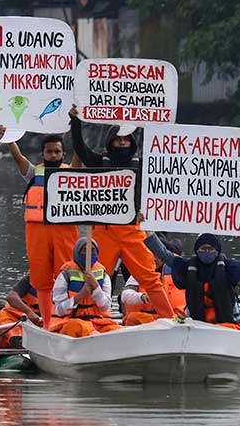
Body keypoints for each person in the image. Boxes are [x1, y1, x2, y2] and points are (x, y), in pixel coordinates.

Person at [68, 105, 175, 319]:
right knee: (95, 275)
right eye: (117, 139)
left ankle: (168, 319)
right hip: (103, 231)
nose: (122, 143)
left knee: (150, 277)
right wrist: (75, 121)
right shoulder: (100, 163)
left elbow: (167, 172)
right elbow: (81, 149)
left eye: (126, 139)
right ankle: (90, 318)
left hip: (133, 230)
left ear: (132, 142)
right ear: (110, 142)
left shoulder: (145, 166)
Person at [0, 125, 79, 330]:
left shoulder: (72, 172)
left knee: (68, 274)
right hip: (37, 230)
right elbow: (18, 157)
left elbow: (80, 156)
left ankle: (67, 319)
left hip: (64, 230)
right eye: (49, 151)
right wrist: (7, 137)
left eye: (57, 151)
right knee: (41, 278)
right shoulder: (34, 173)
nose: (53, 154)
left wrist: (77, 126)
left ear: (63, 153)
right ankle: (48, 323)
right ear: (43, 154)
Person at [143, 223, 240, 330]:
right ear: (196, 250)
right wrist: (147, 228)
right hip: (196, 325)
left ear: (217, 251)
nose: (206, 252)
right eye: (202, 249)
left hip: (226, 326)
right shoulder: (186, 266)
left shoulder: (230, 268)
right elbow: (163, 254)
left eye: (210, 249)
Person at [49, 237, 121, 338]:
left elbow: (105, 306)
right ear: (77, 252)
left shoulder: (103, 275)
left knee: (115, 330)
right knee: (80, 326)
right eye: (84, 250)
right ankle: (96, 339)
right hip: (69, 323)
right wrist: (80, 296)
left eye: (93, 250)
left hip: (97, 323)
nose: (89, 254)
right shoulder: (65, 275)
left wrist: (96, 288)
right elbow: (59, 310)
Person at [120, 237, 187, 326]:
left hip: (174, 321)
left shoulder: (178, 271)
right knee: (133, 318)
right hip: (144, 321)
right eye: (151, 254)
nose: (154, 259)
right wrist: (142, 297)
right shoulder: (140, 271)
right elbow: (125, 295)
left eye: (157, 255)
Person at [0, 272, 42, 348]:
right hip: (25, 319)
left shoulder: (63, 281)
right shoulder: (31, 278)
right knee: (2, 315)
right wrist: (29, 312)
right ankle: (17, 340)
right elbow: (11, 297)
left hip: (46, 322)